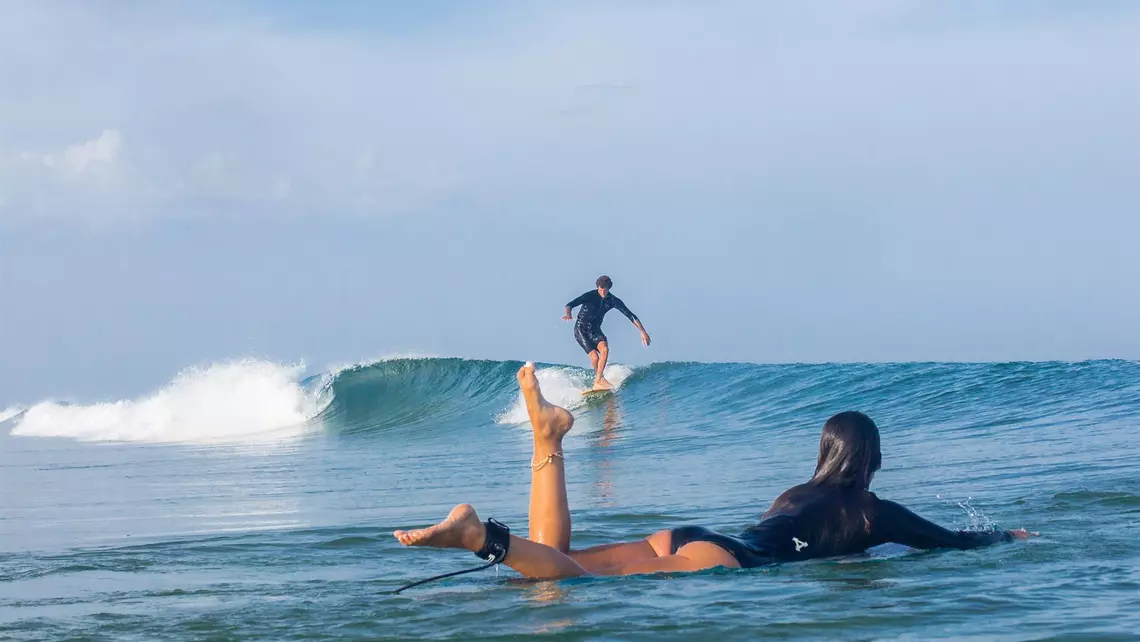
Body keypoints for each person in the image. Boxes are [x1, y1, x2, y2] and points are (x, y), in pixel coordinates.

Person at [394, 364, 1035, 580]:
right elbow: (950, 542)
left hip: (689, 533)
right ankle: (481, 538)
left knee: (559, 561)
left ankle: (549, 439)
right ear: (871, 461)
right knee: (566, 584)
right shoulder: (869, 511)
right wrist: (1007, 538)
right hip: (721, 560)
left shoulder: (795, 491)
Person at [563, 275, 650, 391]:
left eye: (606, 290)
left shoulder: (612, 300)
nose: (603, 292)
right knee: (594, 358)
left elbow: (630, 315)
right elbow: (570, 304)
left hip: (595, 329)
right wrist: (569, 314)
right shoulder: (590, 295)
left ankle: (598, 379)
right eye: (601, 289)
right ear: (597, 287)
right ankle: (599, 379)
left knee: (605, 349)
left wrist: (643, 332)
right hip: (581, 329)